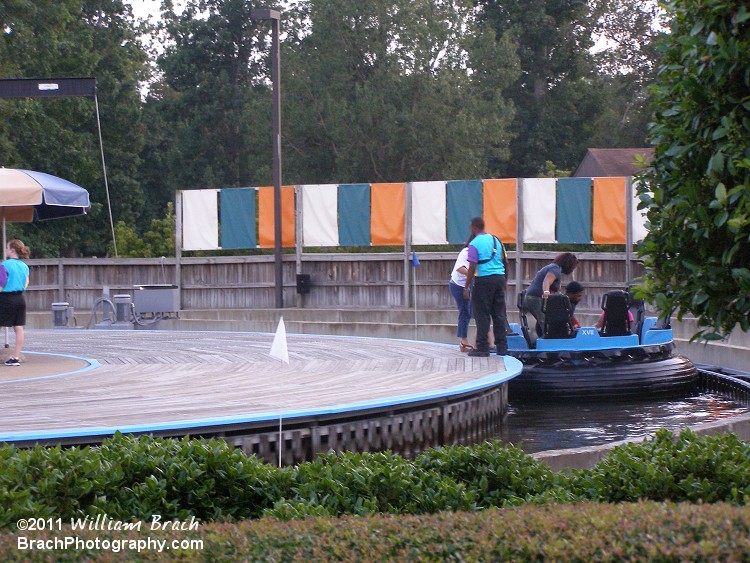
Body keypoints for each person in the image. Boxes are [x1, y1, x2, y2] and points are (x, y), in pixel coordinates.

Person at [463, 217, 508, 357]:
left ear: (473, 227)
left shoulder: (474, 243)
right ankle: (502, 347)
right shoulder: (496, 240)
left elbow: (472, 267)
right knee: (499, 314)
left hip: (483, 280)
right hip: (499, 278)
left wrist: (466, 287)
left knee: (482, 315)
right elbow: (505, 261)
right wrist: (505, 280)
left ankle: (483, 348)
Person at [524, 252, 578, 340]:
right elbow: (547, 281)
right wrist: (546, 293)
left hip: (532, 298)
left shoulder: (555, 269)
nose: (572, 270)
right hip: (535, 298)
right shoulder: (555, 269)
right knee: (546, 323)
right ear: (567, 264)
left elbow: (555, 287)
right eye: (572, 267)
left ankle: (546, 339)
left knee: (547, 321)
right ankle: (547, 343)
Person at [0, 239, 30, 366]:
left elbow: (1, 284)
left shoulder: (5, 265)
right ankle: (15, 357)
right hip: (20, 298)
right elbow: (26, 283)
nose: (5, 250)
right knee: (18, 328)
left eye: (7, 248)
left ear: (12, 250)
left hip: (6, 298)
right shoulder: (24, 266)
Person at [449, 235, 475, 352]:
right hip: (458, 285)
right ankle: (463, 342)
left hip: (467, 285)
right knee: (465, 312)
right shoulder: (466, 252)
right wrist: (472, 274)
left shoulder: (478, 253)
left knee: (469, 312)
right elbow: (460, 268)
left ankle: (467, 341)